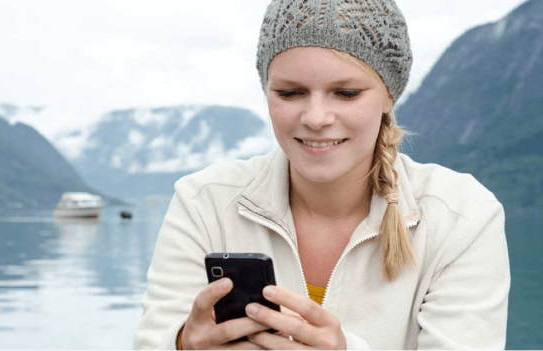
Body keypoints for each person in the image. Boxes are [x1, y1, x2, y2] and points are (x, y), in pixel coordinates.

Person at [134, 0, 511, 349]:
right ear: (266, 92)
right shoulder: (204, 201)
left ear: (388, 97)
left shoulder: (463, 216)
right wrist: (182, 344)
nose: (316, 118)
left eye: (346, 93)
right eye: (290, 93)